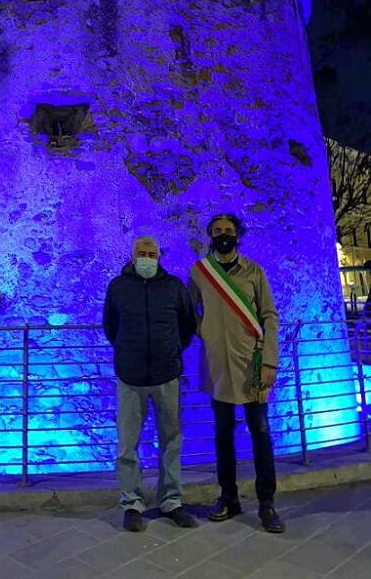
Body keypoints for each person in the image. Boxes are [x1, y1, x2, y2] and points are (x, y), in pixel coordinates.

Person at [188, 214, 284, 534]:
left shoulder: (254, 271)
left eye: (228, 231)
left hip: (253, 365)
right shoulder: (200, 273)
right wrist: (208, 334)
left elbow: (269, 315)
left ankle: (266, 503)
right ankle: (229, 498)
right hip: (218, 367)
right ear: (209, 236)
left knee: (260, 434)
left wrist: (269, 361)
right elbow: (190, 313)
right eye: (217, 232)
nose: (223, 236)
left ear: (238, 235)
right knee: (223, 436)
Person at [103, 235, 197, 532]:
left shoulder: (173, 287)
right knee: (127, 445)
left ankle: (171, 501)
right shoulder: (118, 287)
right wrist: (125, 351)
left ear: (159, 256)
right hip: (130, 377)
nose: (146, 258)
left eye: (151, 254)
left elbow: (188, 324)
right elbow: (110, 326)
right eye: (141, 253)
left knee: (171, 440)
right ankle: (132, 503)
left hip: (166, 375)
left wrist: (171, 350)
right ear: (132, 256)